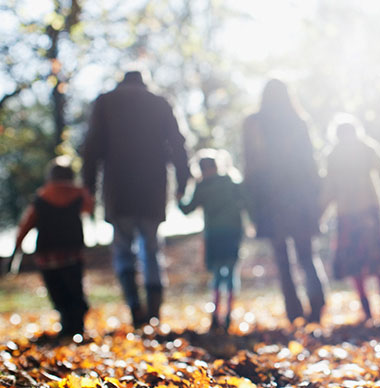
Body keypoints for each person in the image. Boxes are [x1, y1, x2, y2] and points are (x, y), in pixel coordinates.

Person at [82, 70, 190, 328]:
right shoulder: (160, 103)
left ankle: (135, 307)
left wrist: (88, 188)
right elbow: (178, 143)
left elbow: (92, 146)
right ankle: (154, 311)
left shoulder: (106, 102)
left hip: (118, 191)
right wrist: (183, 181)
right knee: (152, 250)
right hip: (152, 190)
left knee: (122, 249)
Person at [243, 79, 326, 323]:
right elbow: (311, 163)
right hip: (299, 196)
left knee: (283, 258)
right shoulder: (298, 122)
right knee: (307, 254)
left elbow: (250, 163)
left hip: (270, 197)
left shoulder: (254, 123)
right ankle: (316, 304)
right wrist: (316, 196)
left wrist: (251, 201)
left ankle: (294, 312)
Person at [321, 116, 380, 326]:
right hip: (365, 211)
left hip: (350, 214)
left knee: (358, 264)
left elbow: (328, 190)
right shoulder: (362, 149)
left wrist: (318, 214)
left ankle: (371, 311)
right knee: (375, 261)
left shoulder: (337, 154)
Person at [14, 157, 94, 338]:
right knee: (75, 290)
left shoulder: (41, 197)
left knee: (58, 292)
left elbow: (26, 224)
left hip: (47, 255)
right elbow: (89, 209)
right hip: (72, 253)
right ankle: (77, 325)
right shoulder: (78, 194)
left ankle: (67, 324)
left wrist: (17, 248)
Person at [178, 151, 245, 332]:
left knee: (217, 273)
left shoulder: (202, 187)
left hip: (214, 235)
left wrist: (179, 197)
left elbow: (186, 209)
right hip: (233, 232)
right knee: (230, 272)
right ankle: (228, 314)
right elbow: (245, 199)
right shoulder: (231, 182)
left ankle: (216, 315)